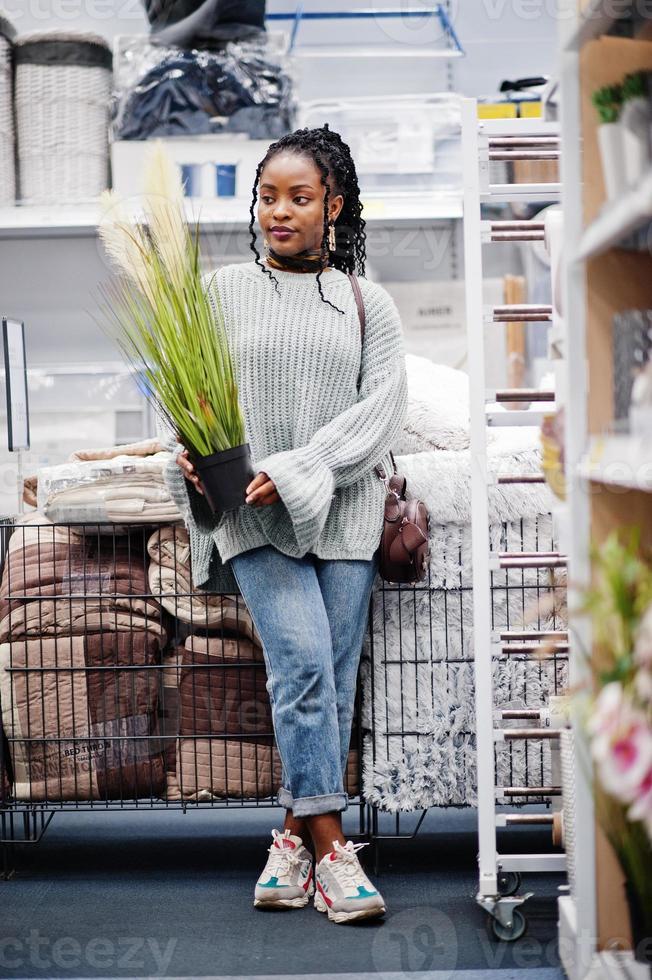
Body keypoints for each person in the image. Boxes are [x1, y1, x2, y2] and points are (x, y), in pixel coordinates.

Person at [164, 124, 408, 924]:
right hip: (251, 520)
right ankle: (337, 854)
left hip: (342, 517)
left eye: (299, 198)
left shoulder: (369, 304)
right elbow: (191, 403)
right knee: (302, 665)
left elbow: (380, 414)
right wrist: (198, 466)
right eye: (269, 196)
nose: (280, 211)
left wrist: (297, 471)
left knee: (331, 684)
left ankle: (289, 839)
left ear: (333, 205)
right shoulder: (220, 293)